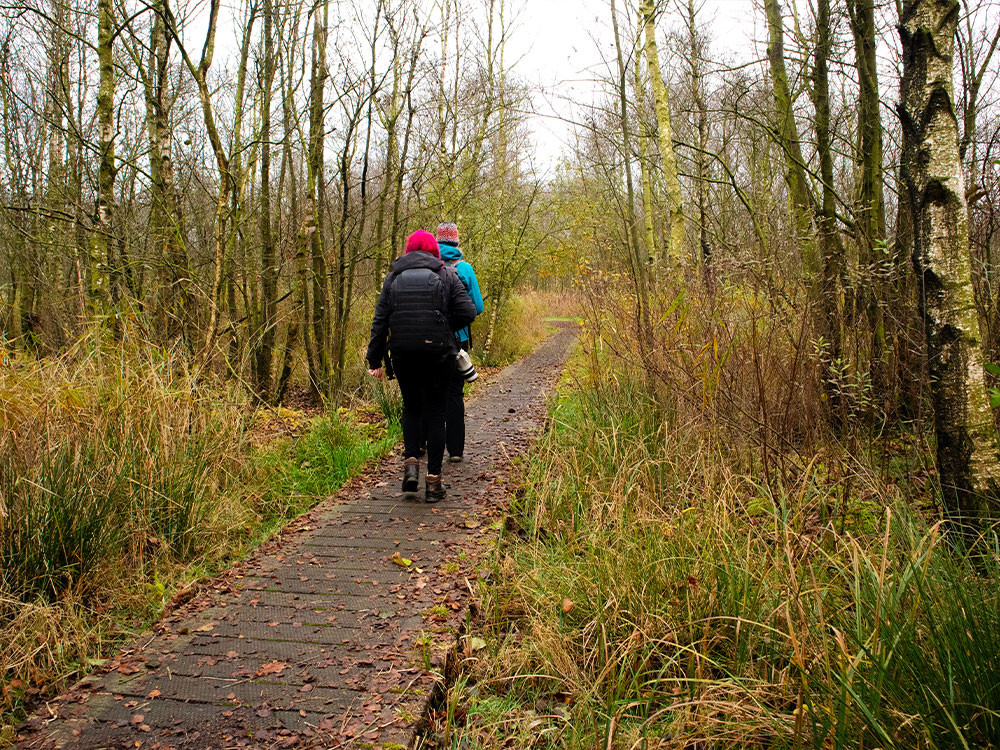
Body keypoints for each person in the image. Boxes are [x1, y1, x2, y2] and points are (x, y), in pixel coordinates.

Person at [366, 230, 477, 502]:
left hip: (403, 354)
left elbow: (380, 320)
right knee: (437, 413)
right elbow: (468, 311)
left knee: (411, 408)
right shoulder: (447, 274)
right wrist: (443, 324)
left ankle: (411, 468)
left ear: (409, 250)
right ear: (434, 251)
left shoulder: (393, 277)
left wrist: (374, 359)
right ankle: (434, 483)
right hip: (438, 354)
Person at [436, 222, 484, 462]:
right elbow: (478, 307)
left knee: (431, 392)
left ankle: (424, 444)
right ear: (456, 242)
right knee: (455, 393)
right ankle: (455, 451)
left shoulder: (429, 266)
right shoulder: (464, 269)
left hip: (430, 340)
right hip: (458, 341)